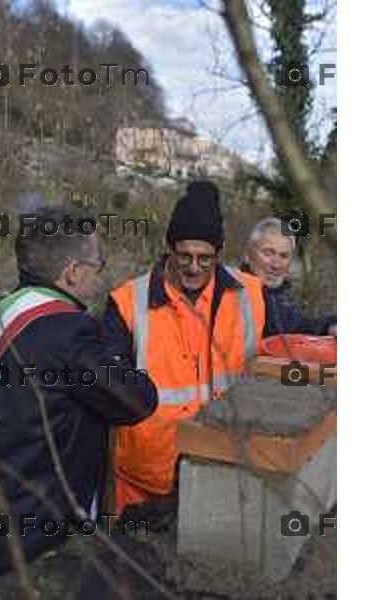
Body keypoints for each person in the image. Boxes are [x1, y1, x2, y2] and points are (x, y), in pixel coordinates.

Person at [0, 205, 158, 585]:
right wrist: (118, 358)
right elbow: (138, 400)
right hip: (41, 549)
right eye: (98, 264)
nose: (101, 276)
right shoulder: (70, 333)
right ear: (73, 272)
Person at [102, 181, 266, 515]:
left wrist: (326, 328)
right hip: (145, 479)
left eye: (205, 259)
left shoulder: (249, 295)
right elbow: (104, 386)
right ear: (169, 250)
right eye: (184, 256)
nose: (193, 267)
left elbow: (290, 337)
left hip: (222, 468)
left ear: (220, 255)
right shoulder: (128, 302)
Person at [242, 217, 337, 337]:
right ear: (247, 254)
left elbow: (299, 328)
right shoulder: (234, 294)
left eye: (283, 256)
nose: (276, 264)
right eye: (268, 253)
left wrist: (330, 324)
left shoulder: (281, 298)